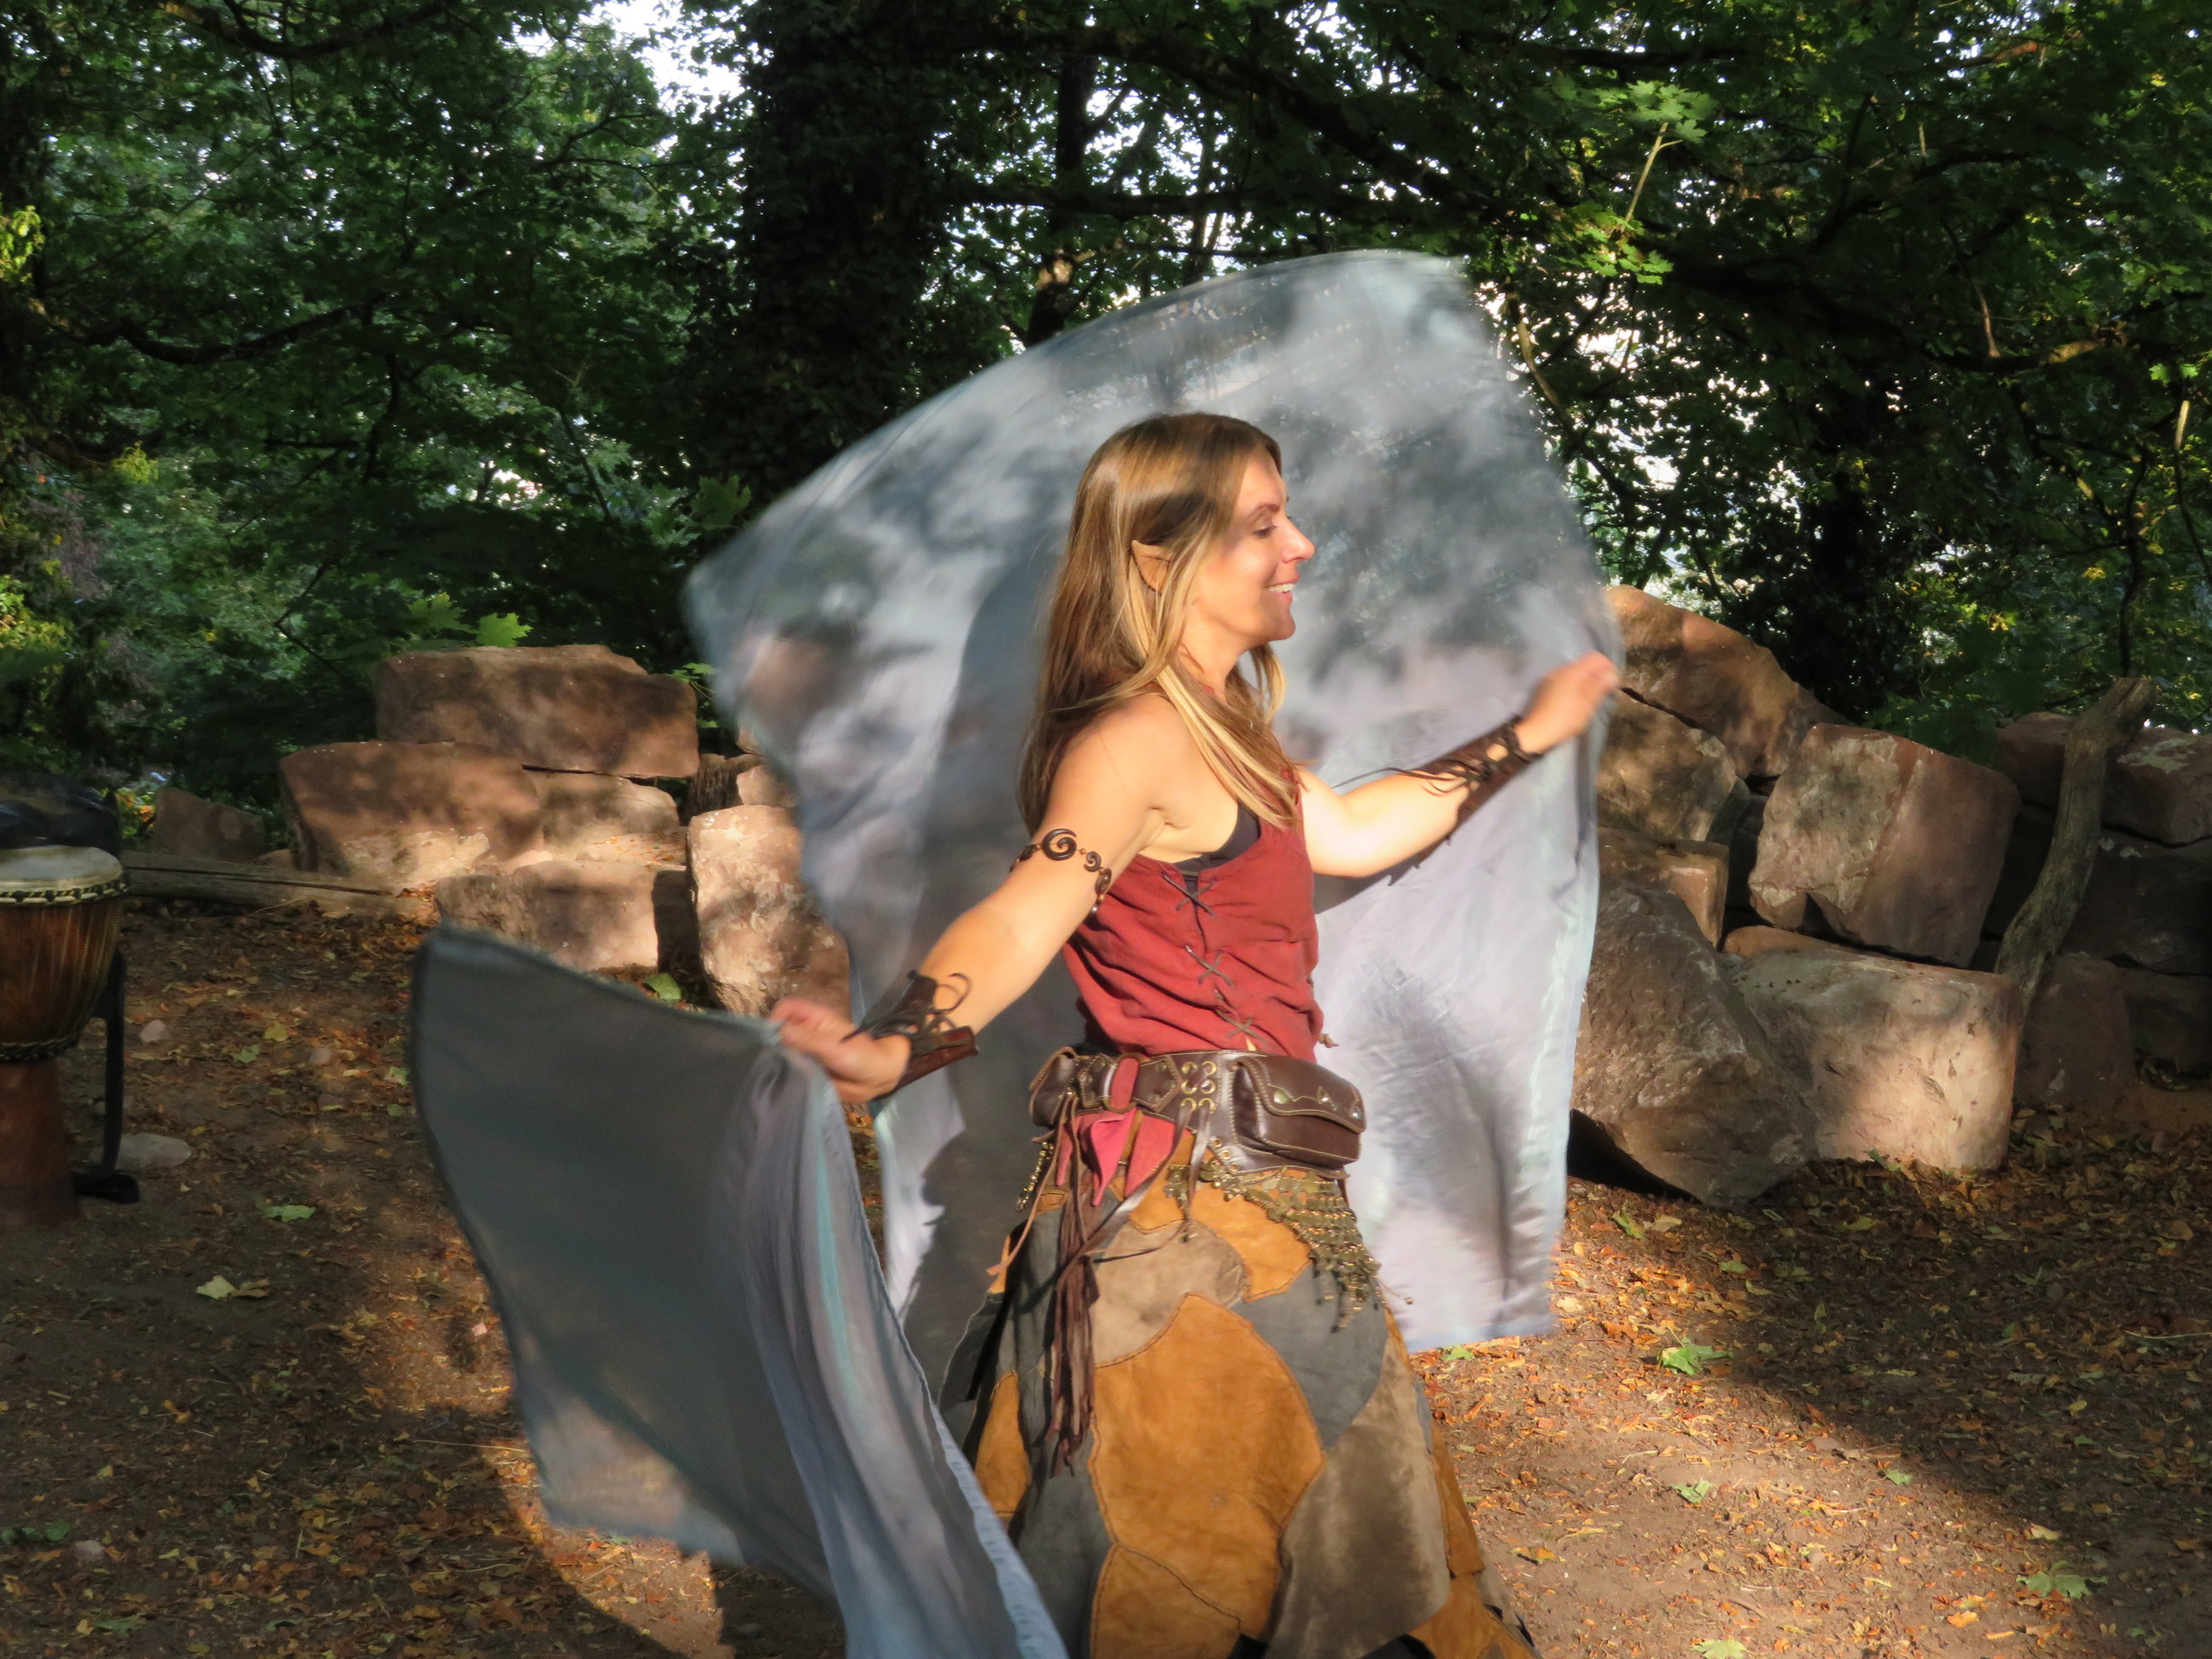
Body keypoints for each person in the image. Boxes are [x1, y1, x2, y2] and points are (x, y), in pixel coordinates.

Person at [776, 412, 1616, 1659]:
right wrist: (897, 1047)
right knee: (1182, 1565)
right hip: (1171, 1230)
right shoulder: (1134, 739)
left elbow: (1357, 831)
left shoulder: (1227, 733)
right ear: (1157, 558)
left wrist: (1529, 733)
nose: (1302, 545)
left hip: (1256, 1201)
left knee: (1304, 1536)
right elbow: (1028, 909)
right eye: (1264, 524)